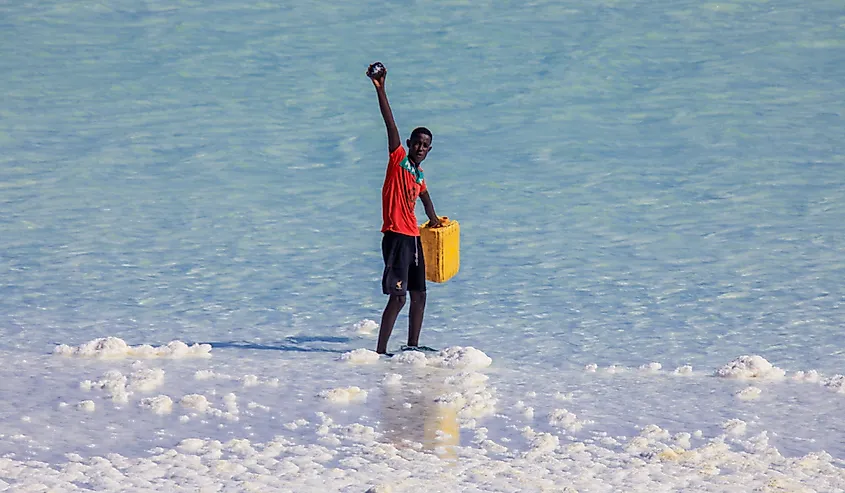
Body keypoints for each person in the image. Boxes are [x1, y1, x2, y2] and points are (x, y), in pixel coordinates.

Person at [367, 62, 442, 355]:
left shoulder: (418, 174)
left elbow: (424, 196)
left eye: (426, 146)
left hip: (413, 237)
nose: (421, 148)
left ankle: (412, 346)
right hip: (396, 237)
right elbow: (390, 124)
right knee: (398, 298)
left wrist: (435, 220)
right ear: (409, 144)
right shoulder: (399, 160)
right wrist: (381, 89)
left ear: (429, 150)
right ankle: (381, 352)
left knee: (420, 294)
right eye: (418, 143)